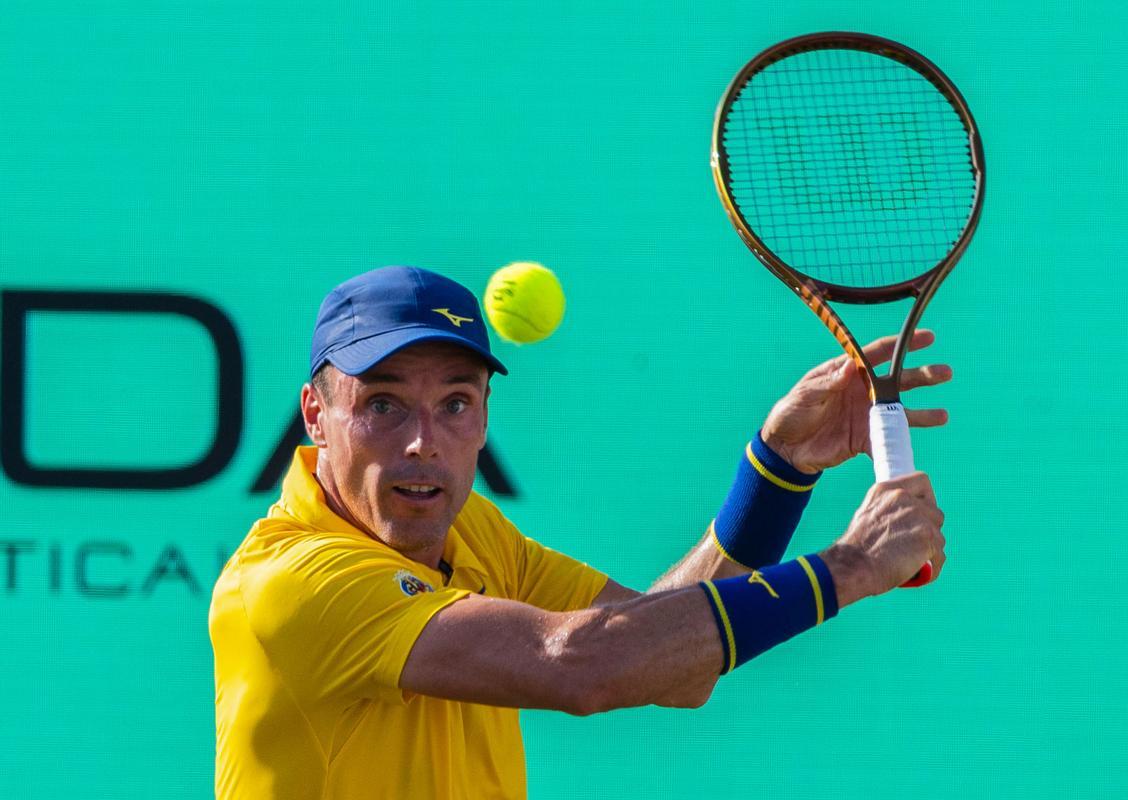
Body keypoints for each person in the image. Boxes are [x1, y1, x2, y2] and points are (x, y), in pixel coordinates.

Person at [210, 265, 950, 799]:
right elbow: (580, 667)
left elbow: (673, 664)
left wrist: (778, 470)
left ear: (486, 417)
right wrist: (852, 566)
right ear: (315, 416)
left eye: (457, 404)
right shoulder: (293, 583)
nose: (422, 442)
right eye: (383, 405)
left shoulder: (472, 529)